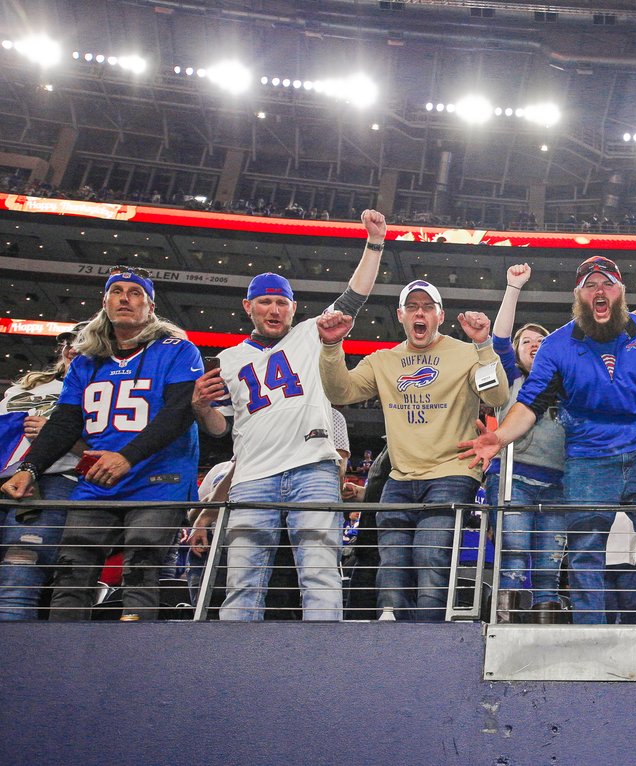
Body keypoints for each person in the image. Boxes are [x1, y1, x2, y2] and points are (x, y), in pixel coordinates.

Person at [459, 256, 636, 624]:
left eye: (607, 284)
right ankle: (588, 637)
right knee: (585, 550)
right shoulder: (558, 345)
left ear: (620, 291)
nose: (600, 291)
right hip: (588, 457)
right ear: (578, 294)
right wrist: (498, 436)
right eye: (591, 285)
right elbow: (530, 403)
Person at [191, 210, 387, 621]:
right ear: (249, 306)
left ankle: (323, 666)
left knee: (320, 576)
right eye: (265, 301)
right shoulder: (227, 360)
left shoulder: (310, 334)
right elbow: (220, 428)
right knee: (241, 582)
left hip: (312, 467)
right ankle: (237, 667)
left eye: (282, 302)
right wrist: (201, 407)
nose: (274, 309)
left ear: (294, 308)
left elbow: (354, 296)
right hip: (251, 476)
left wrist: (374, 243)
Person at [1, 267, 203, 621]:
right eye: (117, 291)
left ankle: (130, 668)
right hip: (97, 482)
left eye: (135, 292)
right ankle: (64, 664)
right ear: (104, 302)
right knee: (71, 575)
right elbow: (65, 422)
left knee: (140, 575)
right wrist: (30, 468)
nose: (125, 298)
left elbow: (179, 412)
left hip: (157, 480)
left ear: (150, 306)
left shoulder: (177, 350)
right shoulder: (87, 362)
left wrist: (127, 457)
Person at [318, 275, 509, 621]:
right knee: (390, 557)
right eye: (412, 306)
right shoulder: (382, 360)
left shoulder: (467, 353)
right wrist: (331, 348)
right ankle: (391, 632)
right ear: (401, 315)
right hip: (400, 476)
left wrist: (483, 345)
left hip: (452, 471)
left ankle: (428, 636)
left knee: (430, 554)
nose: (419, 313)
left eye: (427, 307)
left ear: (440, 315)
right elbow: (340, 393)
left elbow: (497, 397)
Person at [486, 262, 568, 623]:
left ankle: (545, 638)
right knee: (515, 555)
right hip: (512, 478)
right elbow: (500, 338)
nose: (535, 345)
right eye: (528, 342)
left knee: (551, 564)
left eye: (542, 342)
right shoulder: (509, 378)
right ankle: (507, 632)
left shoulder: (569, 384)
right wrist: (513, 288)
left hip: (558, 485)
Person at [0, 321, 85, 620]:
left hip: (54, 482)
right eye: (69, 342)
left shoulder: (104, 389)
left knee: (18, 575)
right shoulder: (26, 385)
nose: (73, 347)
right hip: (4, 477)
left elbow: (104, 457)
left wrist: (58, 436)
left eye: (84, 341)